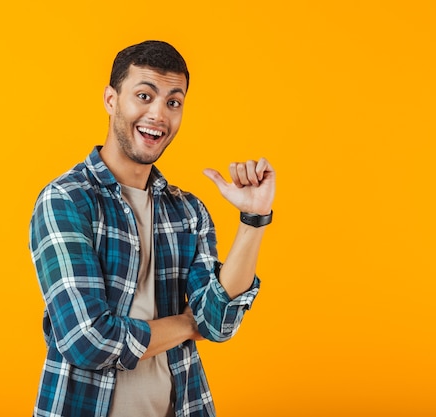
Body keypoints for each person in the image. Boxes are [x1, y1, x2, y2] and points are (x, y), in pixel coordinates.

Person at [29, 40, 275, 417]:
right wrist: (189, 323)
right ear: (111, 100)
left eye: (173, 102)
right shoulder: (66, 200)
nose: (159, 114)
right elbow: (88, 340)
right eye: (144, 95)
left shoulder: (188, 211)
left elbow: (220, 322)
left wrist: (253, 220)